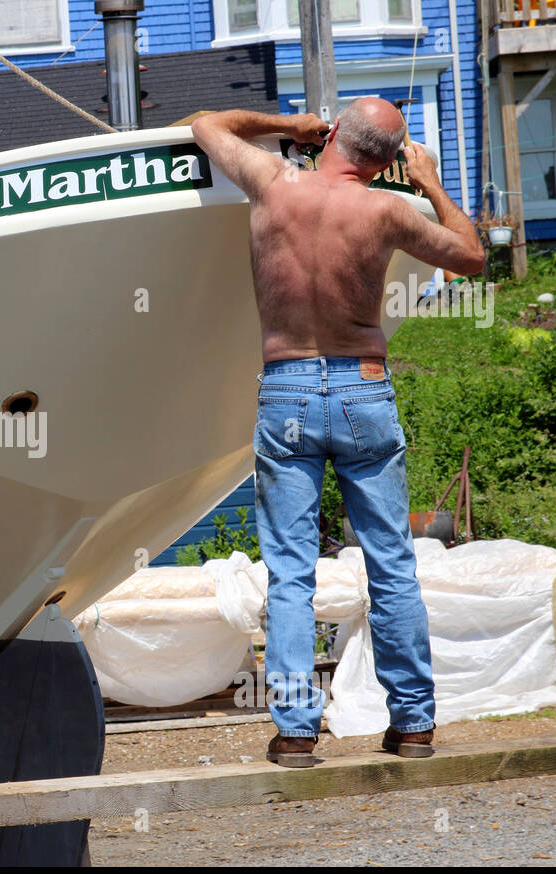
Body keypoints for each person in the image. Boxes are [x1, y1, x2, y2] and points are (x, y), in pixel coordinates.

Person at [191, 99, 484, 768]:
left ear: (332, 138)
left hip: (287, 384)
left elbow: (204, 124)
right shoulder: (387, 211)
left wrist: (285, 127)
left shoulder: (274, 181)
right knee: (390, 565)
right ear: (385, 162)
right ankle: (413, 726)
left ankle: (296, 731)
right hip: (363, 389)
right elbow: (471, 256)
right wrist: (429, 182)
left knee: (291, 571)